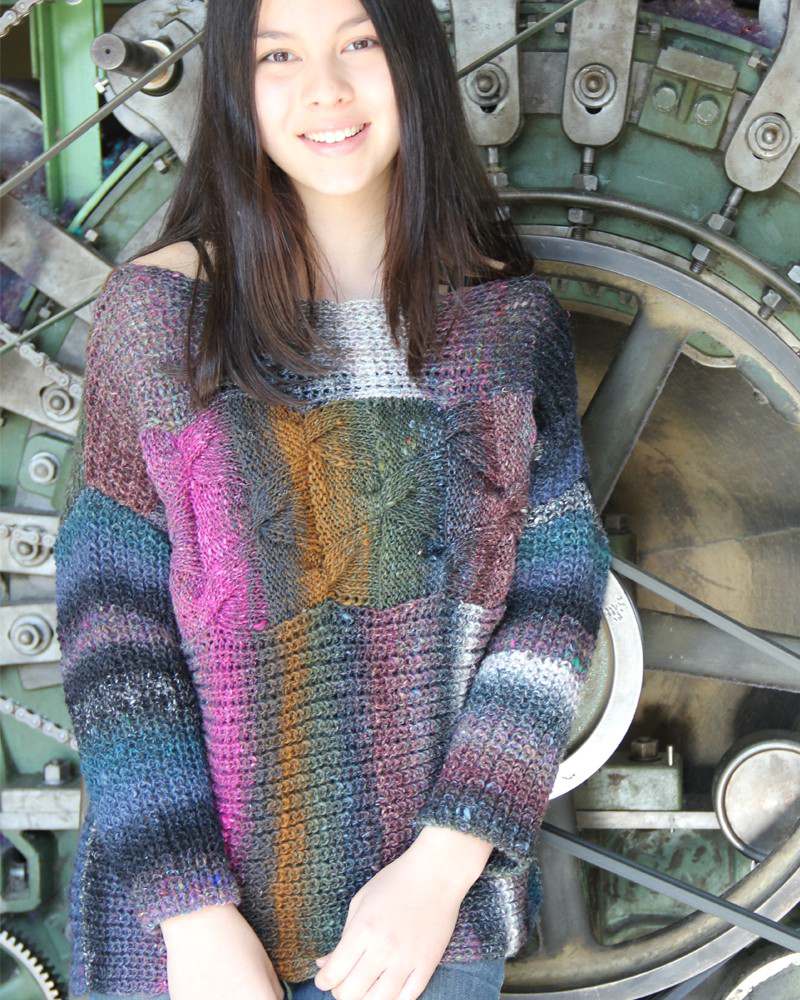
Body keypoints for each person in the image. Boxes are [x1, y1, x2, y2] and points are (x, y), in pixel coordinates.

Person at [54, 1, 612, 999]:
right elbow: (112, 627)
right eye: (279, 55)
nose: (325, 89)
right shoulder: (158, 316)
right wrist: (193, 912)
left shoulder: (507, 322)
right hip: (192, 948)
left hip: (420, 936)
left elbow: (554, 609)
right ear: (236, 83)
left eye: (359, 42)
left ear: (413, 59)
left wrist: (441, 866)